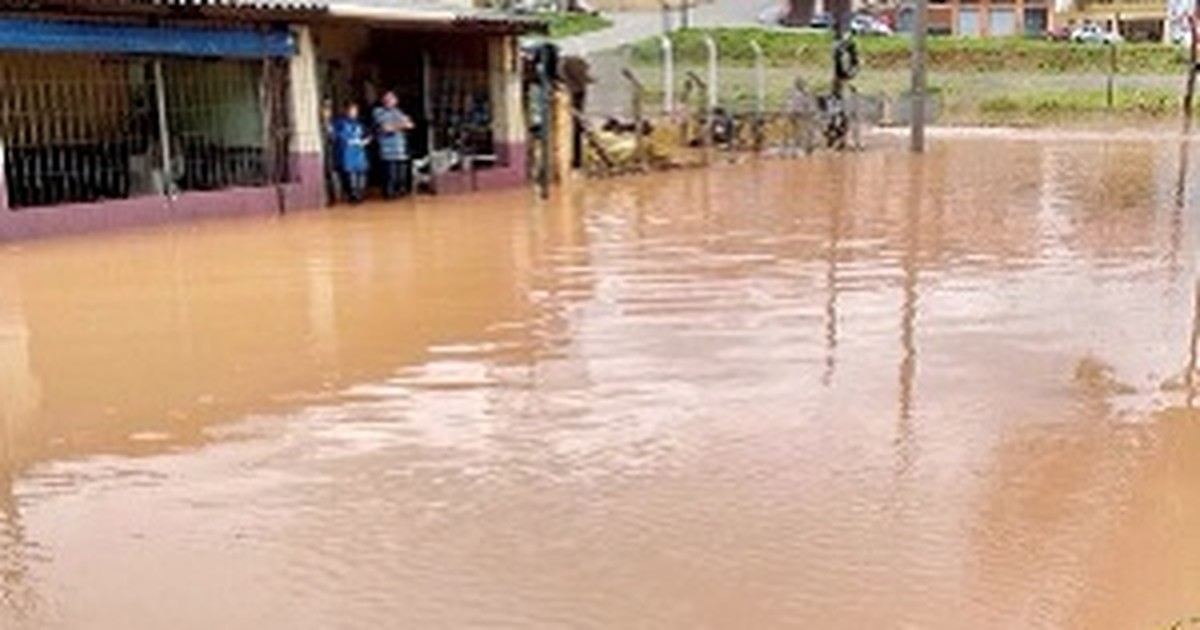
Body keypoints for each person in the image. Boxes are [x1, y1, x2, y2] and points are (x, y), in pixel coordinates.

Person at [372, 91, 415, 200]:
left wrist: (397, 125)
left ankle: (399, 194)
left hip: (400, 149)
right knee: (390, 176)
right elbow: (386, 128)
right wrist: (401, 125)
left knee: (401, 176)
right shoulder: (378, 112)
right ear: (383, 101)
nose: (389, 101)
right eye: (387, 99)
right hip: (387, 150)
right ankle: (389, 196)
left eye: (392, 99)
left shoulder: (398, 112)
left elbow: (410, 125)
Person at [333, 102, 370, 204]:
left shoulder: (360, 123)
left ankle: (360, 193)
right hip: (347, 152)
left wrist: (365, 141)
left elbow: (368, 135)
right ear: (346, 111)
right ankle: (353, 195)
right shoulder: (340, 123)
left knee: (361, 175)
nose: (353, 112)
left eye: (355, 110)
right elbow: (337, 135)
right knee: (351, 176)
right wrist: (348, 141)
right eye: (351, 110)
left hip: (359, 152)